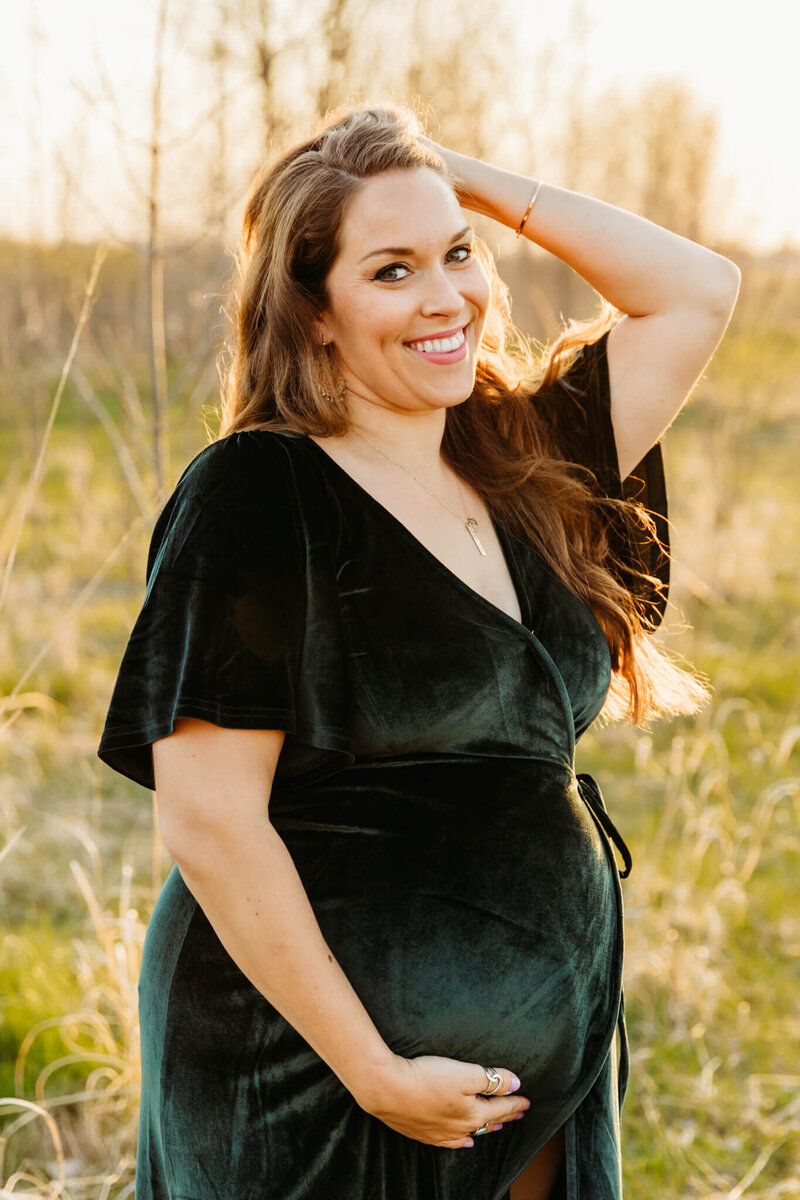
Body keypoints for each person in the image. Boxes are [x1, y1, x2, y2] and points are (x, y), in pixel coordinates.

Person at [97, 103, 740, 1200]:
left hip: (543, 1067)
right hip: (302, 1074)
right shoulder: (258, 494)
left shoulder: (529, 459)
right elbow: (207, 817)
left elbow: (695, 291)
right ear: (311, 315)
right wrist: (373, 1068)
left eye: (458, 254)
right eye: (389, 271)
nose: (445, 298)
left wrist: (451, 178)